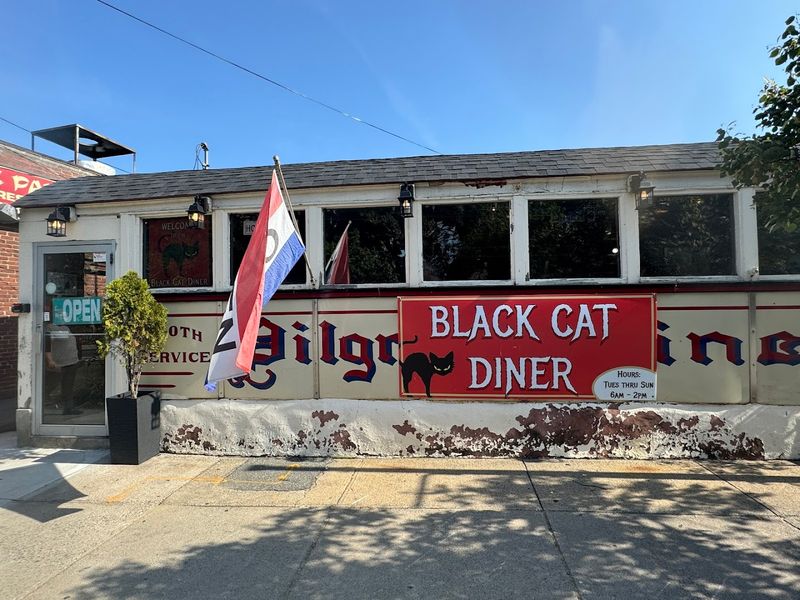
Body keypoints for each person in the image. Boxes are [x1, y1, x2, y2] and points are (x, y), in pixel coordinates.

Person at [45, 324, 82, 415]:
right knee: (50, 384)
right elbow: (47, 345)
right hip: (58, 363)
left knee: (68, 387)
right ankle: (42, 404)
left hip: (71, 361)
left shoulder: (67, 326)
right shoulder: (49, 327)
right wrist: (50, 360)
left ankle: (68, 408)